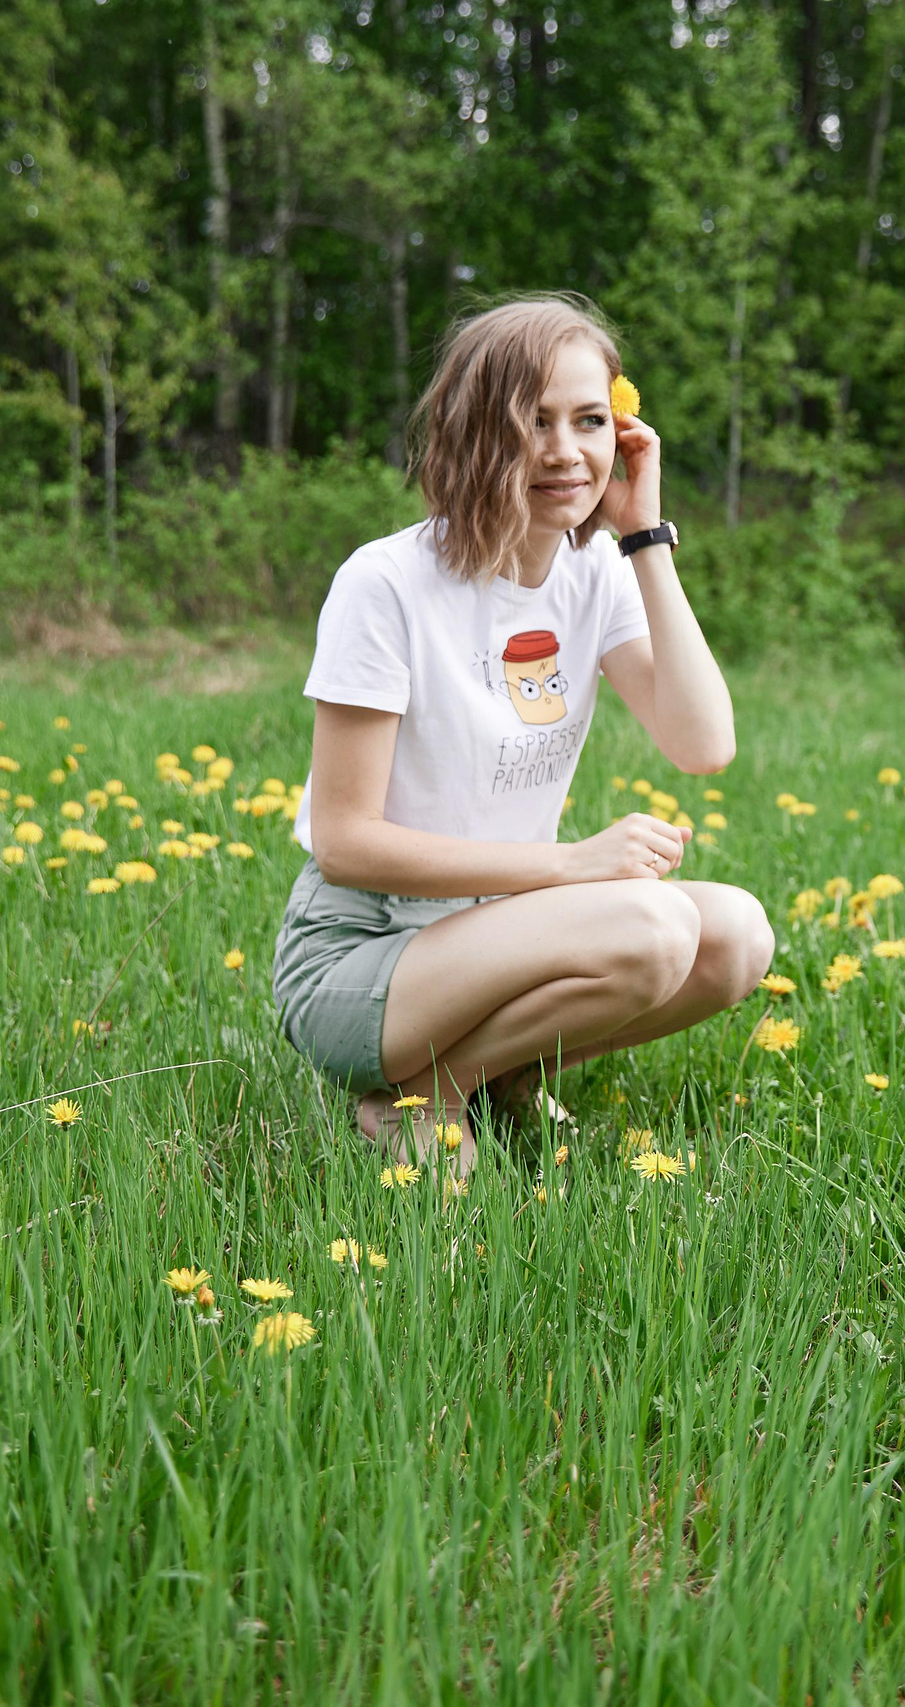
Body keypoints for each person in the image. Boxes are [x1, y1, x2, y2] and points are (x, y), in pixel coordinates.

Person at [273, 296, 773, 1174]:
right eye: (532, 421)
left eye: (589, 420)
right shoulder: (386, 583)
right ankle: (422, 1098)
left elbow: (703, 745)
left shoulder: (592, 576)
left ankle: (464, 1080)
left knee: (735, 935)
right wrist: (572, 865)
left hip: (502, 935)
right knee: (653, 931)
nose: (565, 450)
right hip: (365, 956)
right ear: (475, 431)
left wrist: (643, 536)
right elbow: (346, 843)